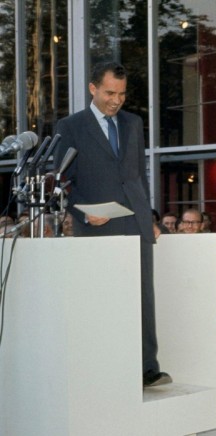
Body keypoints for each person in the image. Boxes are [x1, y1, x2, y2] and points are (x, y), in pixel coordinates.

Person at [54, 61, 170, 387]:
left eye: (121, 94)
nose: (116, 100)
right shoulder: (71, 126)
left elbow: (137, 176)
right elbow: (62, 180)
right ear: (93, 88)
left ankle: (147, 368)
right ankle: (104, 370)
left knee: (142, 297)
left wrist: (148, 217)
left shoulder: (133, 123)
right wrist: (81, 213)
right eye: (109, 93)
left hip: (135, 225)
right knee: (103, 301)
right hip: (96, 227)